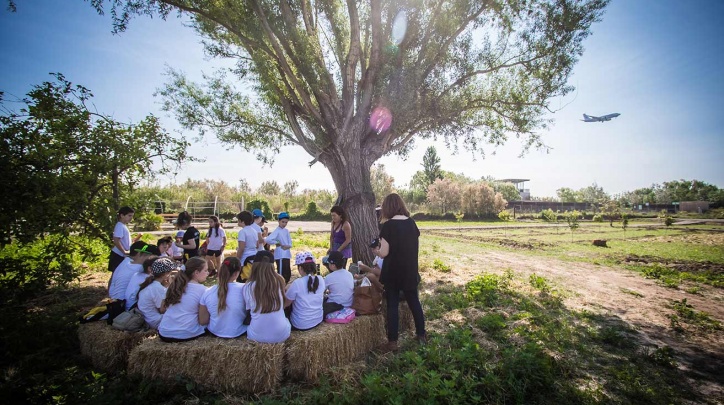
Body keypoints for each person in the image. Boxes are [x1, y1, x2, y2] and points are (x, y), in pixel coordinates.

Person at [377, 193, 427, 352]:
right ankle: (421, 335)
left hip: (393, 272)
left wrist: (375, 251)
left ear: (387, 208)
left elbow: (384, 253)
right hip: (410, 269)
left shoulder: (388, 226)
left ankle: (393, 342)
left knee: (392, 305)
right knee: (414, 302)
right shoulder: (412, 223)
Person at [158, 256, 209, 342]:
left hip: (164, 332)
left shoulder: (172, 286)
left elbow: (162, 309)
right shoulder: (203, 290)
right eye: (206, 270)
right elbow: (203, 320)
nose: (208, 273)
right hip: (185, 333)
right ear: (196, 272)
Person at [242, 255, 291, 343]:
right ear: (272, 267)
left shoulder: (247, 286)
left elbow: (249, 308)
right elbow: (283, 304)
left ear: (254, 267)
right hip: (282, 334)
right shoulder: (280, 281)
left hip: (256, 336)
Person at [199, 257, 248, 338]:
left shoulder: (208, 292)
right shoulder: (245, 289)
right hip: (239, 332)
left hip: (214, 332)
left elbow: (203, 321)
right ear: (236, 273)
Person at [284, 252, 325, 331]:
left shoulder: (297, 283)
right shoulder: (321, 279)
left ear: (300, 268)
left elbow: (286, 304)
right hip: (318, 319)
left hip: (300, 324)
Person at [137, 257, 177, 329]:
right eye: (170, 273)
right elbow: (162, 310)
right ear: (165, 274)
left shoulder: (151, 285)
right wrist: (170, 287)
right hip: (155, 321)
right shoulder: (157, 288)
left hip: (148, 319)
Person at [322, 251, 354, 316]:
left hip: (335, 306)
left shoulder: (329, 277)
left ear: (333, 265)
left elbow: (320, 292)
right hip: (349, 304)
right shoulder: (349, 274)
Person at [265, 212, 293, 283]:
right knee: (281, 275)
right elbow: (268, 239)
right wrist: (277, 242)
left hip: (286, 254)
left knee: (288, 273)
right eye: (282, 222)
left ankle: (284, 288)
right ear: (279, 221)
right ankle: (280, 289)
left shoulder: (286, 231)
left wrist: (287, 246)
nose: (284, 224)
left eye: (286, 222)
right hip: (280, 255)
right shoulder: (277, 231)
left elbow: (290, 243)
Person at [108, 206, 135, 274]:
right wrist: (124, 252)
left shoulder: (123, 225)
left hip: (121, 254)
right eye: (129, 216)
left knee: (118, 274)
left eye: (132, 216)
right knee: (115, 275)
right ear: (122, 215)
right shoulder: (119, 225)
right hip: (118, 254)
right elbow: (116, 240)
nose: (131, 218)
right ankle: (112, 285)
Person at [236, 210, 259, 281]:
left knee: (242, 280)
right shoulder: (254, 231)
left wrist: (237, 259)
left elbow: (241, 248)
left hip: (245, 259)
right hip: (254, 257)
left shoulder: (242, 232)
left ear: (242, 221)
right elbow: (257, 245)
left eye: (238, 220)